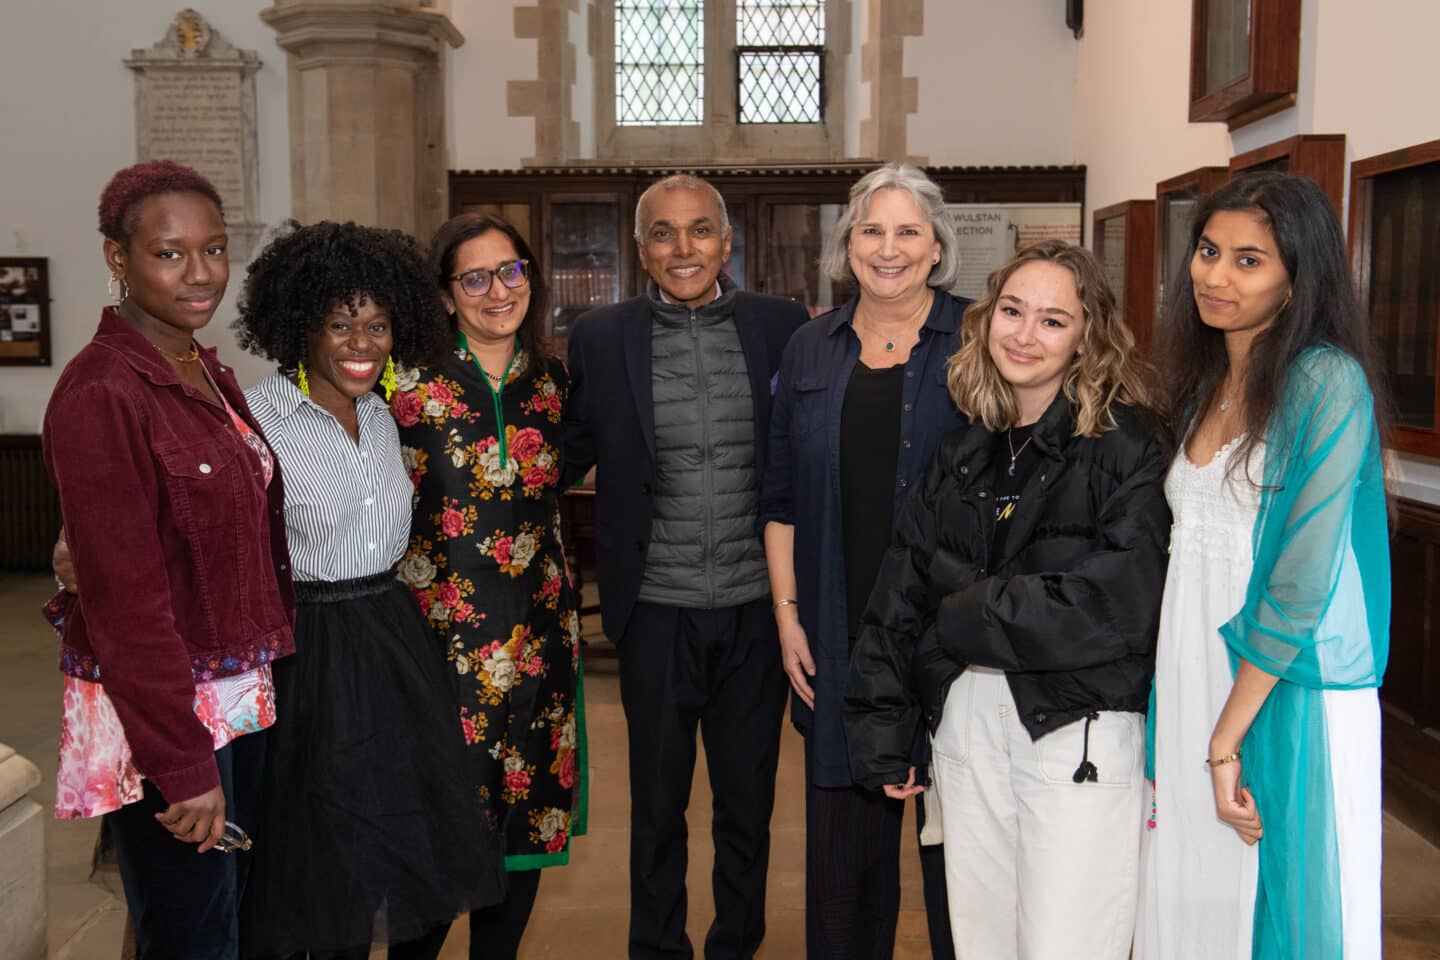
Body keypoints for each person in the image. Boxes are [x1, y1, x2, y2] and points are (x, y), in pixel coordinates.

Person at [845, 239, 1171, 960]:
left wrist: (964, 617)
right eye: (1013, 311)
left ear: (1089, 335)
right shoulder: (966, 448)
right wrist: (879, 723)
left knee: (1067, 945)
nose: (1025, 334)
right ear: (987, 319)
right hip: (965, 731)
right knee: (982, 942)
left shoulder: (1127, 445)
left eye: (1053, 320)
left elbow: (1119, 600)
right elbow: (898, 589)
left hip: (1073, 732)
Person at [1134, 172, 1390, 960]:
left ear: (1296, 276)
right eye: (1209, 251)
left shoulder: (1325, 382)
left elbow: (1299, 580)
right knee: (1193, 897)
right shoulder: (1204, 380)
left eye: (1249, 260)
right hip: (1191, 670)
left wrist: (1225, 737)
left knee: (1283, 905)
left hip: (1286, 684)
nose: (1214, 275)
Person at [233, 220, 506, 959]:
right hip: (305, 652)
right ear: (299, 326)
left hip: (392, 640)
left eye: (378, 325)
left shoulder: (387, 418)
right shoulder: (254, 422)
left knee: (410, 838)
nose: (361, 344)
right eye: (340, 324)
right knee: (321, 855)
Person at [42, 160, 294, 958]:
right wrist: (182, 768)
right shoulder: (101, 391)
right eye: (170, 253)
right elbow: (125, 607)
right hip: (168, 718)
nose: (201, 274)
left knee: (227, 922)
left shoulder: (204, 369)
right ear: (119, 257)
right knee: (191, 937)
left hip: (236, 695)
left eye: (214, 250)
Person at [564, 174, 807, 959]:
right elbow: (564, 451)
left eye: (700, 231)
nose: (682, 249)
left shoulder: (781, 326)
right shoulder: (601, 337)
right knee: (657, 808)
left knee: (746, 807)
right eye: (663, 234)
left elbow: (809, 452)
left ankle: (735, 944)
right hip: (655, 612)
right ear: (640, 251)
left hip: (753, 612)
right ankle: (657, 948)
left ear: (726, 242)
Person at [758, 162, 961, 959]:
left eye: (908, 231)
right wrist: (787, 619)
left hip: (956, 647)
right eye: (871, 231)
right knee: (845, 875)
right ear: (848, 247)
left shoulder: (982, 338)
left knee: (960, 866)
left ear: (937, 248)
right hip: (840, 638)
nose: (888, 248)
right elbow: (778, 498)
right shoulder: (811, 348)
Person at [391, 213, 586, 959]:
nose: (497, 290)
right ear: (445, 295)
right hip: (438, 657)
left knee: (522, 839)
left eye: (511, 271)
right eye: (474, 277)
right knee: (438, 850)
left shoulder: (551, 378)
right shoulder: (401, 385)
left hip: (540, 649)